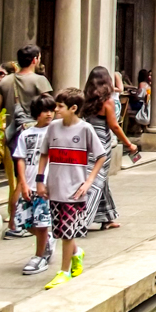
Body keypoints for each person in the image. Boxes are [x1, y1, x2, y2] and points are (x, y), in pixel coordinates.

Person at [36, 87, 108, 290]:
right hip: (54, 187)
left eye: (60, 106)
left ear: (73, 108)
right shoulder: (53, 128)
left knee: (67, 232)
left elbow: (101, 156)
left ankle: (64, 271)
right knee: (59, 230)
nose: (56, 110)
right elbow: (44, 154)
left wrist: (88, 182)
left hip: (75, 190)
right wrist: (40, 180)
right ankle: (77, 253)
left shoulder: (85, 129)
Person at [0, 45, 53, 232]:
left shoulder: (5, 82)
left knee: (20, 178)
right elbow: (48, 105)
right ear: (35, 59)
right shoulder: (40, 81)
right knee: (31, 177)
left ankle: (13, 222)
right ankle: (25, 221)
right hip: (35, 132)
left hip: (13, 133)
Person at [82, 66, 139, 230]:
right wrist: (129, 144)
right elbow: (115, 126)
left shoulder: (85, 99)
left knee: (100, 178)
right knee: (96, 180)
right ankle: (82, 217)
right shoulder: (107, 102)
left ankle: (107, 216)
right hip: (101, 142)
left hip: (87, 140)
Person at [12, 93, 56, 275]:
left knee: (42, 222)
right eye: (45, 111)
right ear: (36, 113)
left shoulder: (56, 132)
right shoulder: (26, 134)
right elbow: (20, 159)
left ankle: (40, 256)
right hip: (29, 184)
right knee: (26, 223)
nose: (49, 114)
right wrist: (22, 183)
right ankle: (48, 240)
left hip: (45, 185)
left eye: (52, 110)